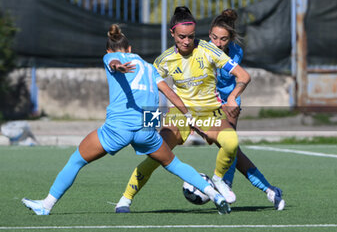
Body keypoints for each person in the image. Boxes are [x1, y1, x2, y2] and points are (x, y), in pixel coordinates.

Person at [21, 24, 231, 215]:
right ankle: (215, 195)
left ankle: (46, 205)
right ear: (130, 49)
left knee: (77, 160)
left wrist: (117, 66)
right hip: (148, 125)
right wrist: (188, 117)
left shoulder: (111, 58)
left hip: (119, 126)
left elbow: (112, 62)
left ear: (109, 50)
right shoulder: (150, 67)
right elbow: (170, 94)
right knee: (173, 162)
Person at [115, 6, 251, 213]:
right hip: (180, 114)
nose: (187, 41)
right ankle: (125, 199)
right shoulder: (164, 59)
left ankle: (217, 179)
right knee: (157, 155)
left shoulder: (209, 49)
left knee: (231, 142)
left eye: (191, 36)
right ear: (172, 33)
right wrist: (149, 124)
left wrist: (232, 97)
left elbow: (244, 76)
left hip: (207, 112)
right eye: (181, 37)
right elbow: (152, 91)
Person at [209, 9, 285, 210]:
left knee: (230, 148)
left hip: (228, 101)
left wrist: (232, 98)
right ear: (209, 35)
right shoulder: (203, 51)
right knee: (232, 149)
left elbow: (239, 79)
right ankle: (269, 189)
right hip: (206, 103)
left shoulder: (236, 52)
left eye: (223, 39)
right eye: (214, 38)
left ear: (230, 39)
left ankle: (226, 185)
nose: (218, 43)